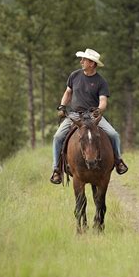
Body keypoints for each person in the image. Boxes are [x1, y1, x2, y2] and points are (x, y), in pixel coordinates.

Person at [50, 48, 128, 184]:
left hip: (92, 116)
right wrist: (62, 106)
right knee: (57, 137)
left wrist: (99, 110)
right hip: (74, 115)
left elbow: (103, 101)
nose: (81, 62)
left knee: (113, 134)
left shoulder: (101, 81)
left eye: (84, 60)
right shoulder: (74, 76)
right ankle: (56, 169)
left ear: (92, 63)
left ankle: (118, 161)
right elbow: (68, 93)